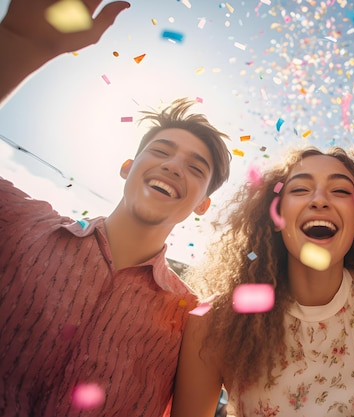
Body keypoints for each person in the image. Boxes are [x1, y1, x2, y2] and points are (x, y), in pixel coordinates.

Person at [0, 1, 232, 416]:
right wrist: (18, 44)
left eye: (195, 168)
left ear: (203, 204)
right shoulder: (17, 222)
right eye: (161, 150)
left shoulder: (192, 322)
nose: (173, 166)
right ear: (128, 167)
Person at [172, 147, 354, 417]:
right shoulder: (213, 322)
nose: (320, 200)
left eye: (339, 191)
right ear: (277, 217)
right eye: (300, 189)